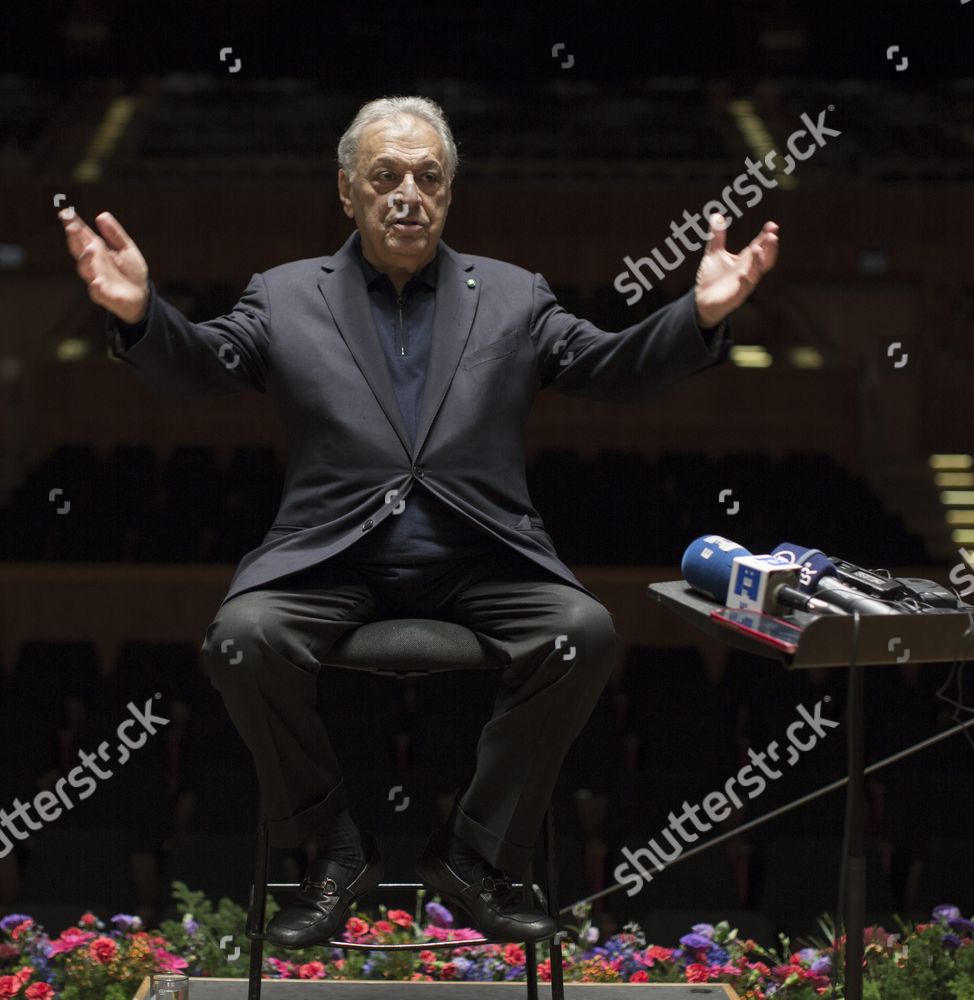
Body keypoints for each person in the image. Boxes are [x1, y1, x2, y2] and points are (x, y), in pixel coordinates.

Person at [59, 95, 779, 948]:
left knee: (583, 631)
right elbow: (203, 363)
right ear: (347, 191)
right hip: (334, 561)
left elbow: (609, 365)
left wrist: (697, 316)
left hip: (478, 556)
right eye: (386, 175)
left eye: (428, 177)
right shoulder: (286, 296)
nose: (408, 192)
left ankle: (474, 853)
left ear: (449, 194)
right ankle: (329, 849)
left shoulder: (513, 295)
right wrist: (141, 314)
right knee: (242, 638)